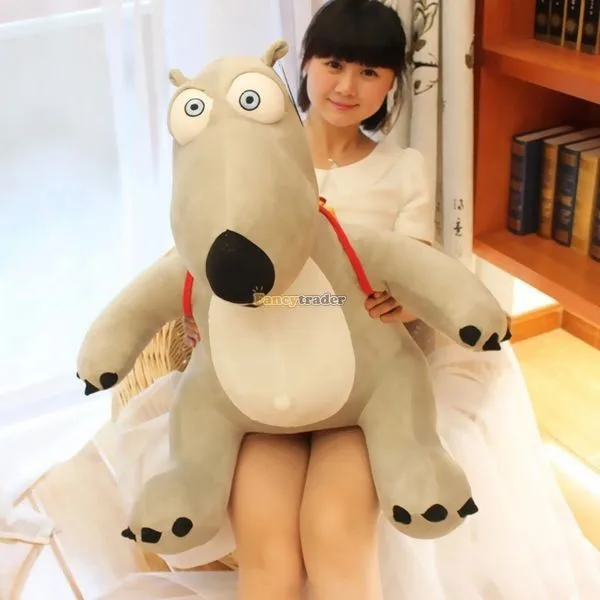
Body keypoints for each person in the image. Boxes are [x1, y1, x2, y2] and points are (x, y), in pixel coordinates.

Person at [108, 1, 600, 599]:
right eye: (334, 63)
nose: (347, 86)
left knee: (334, 532)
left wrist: (407, 303)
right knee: (268, 547)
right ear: (304, 63)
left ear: (393, 82)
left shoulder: (404, 169)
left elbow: (415, 267)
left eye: (370, 71)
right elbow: (201, 240)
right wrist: (205, 310)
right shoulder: (254, 150)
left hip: (358, 389)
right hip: (256, 385)